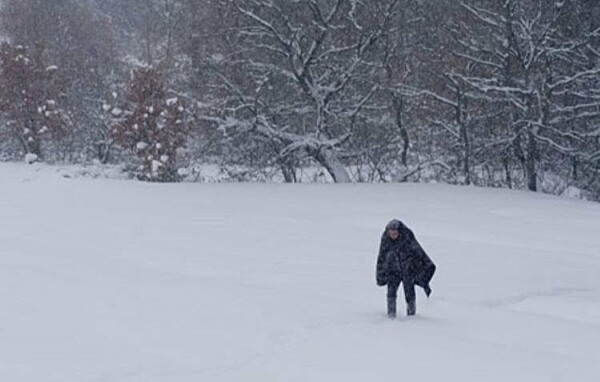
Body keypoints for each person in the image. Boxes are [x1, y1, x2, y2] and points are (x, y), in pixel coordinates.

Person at [376, 219, 436, 318]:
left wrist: (425, 268)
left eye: (395, 233)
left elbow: (418, 252)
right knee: (391, 293)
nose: (393, 235)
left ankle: (411, 315)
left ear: (399, 232)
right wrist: (380, 274)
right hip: (392, 270)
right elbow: (381, 256)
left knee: (409, 293)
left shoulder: (407, 236)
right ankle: (391, 315)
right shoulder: (385, 239)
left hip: (408, 269)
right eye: (391, 233)